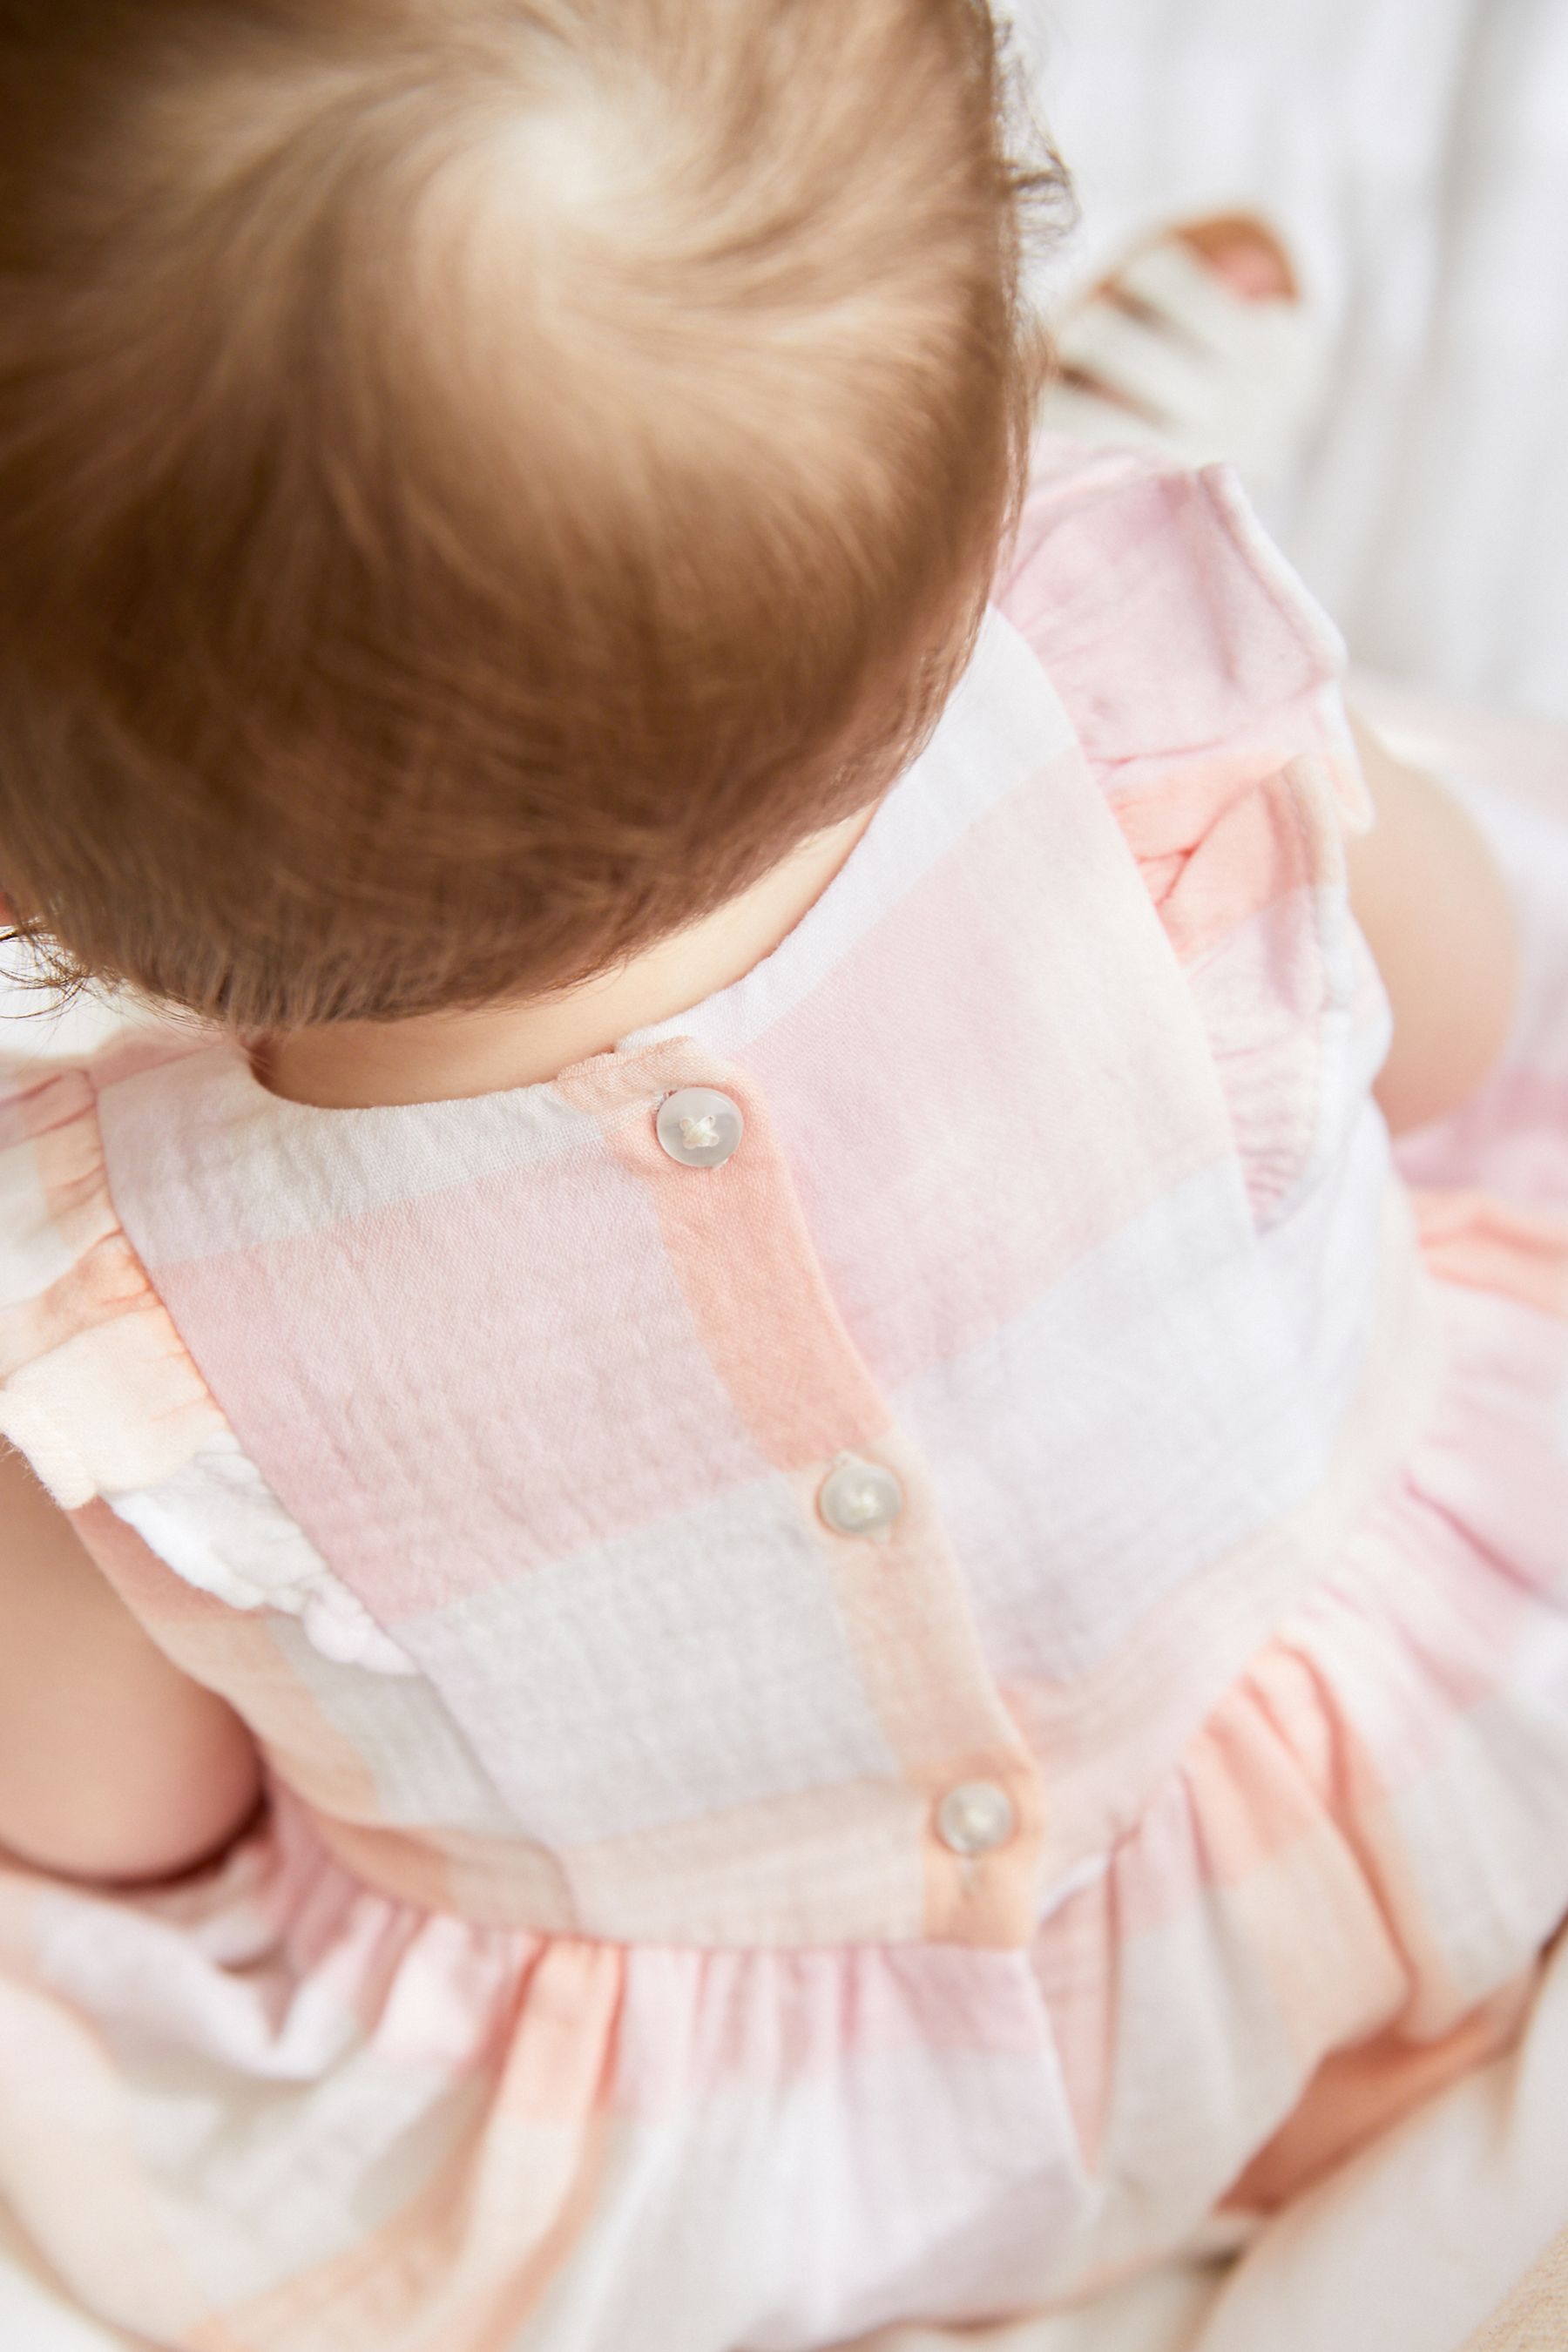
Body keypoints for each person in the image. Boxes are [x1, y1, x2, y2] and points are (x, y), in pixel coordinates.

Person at [0, 3, 1559, 2348]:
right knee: (1395, 840)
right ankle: (1083, 418)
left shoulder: (131, 1324)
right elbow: (1467, 1018)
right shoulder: (1140, 737)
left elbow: (112, 1813)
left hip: (752, 2186)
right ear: (980, 518)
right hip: (1377, 1856)